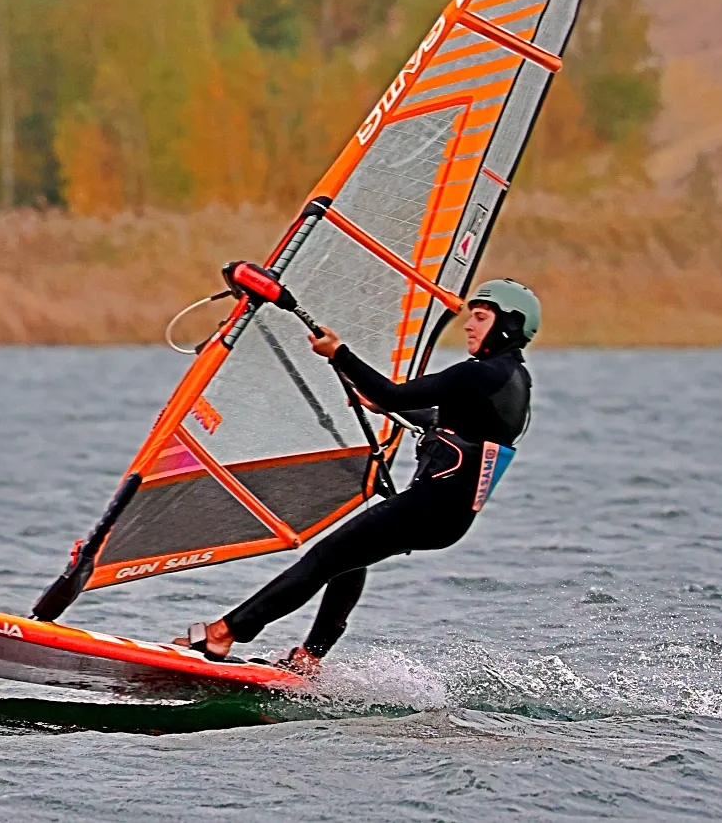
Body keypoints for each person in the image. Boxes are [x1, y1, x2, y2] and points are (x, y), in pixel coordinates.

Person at [173, 278, 540, 673]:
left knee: (325, 557)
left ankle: (224, 633)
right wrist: (384, 407)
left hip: (430, 506)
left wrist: (339, 354)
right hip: (448, 517)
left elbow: (394, 394)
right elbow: (444, 420)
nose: (469, 326)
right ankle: (311, 656)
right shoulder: (514, 379)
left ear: (509, 325)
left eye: (480, 318)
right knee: (348, 558)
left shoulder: (480, 373)